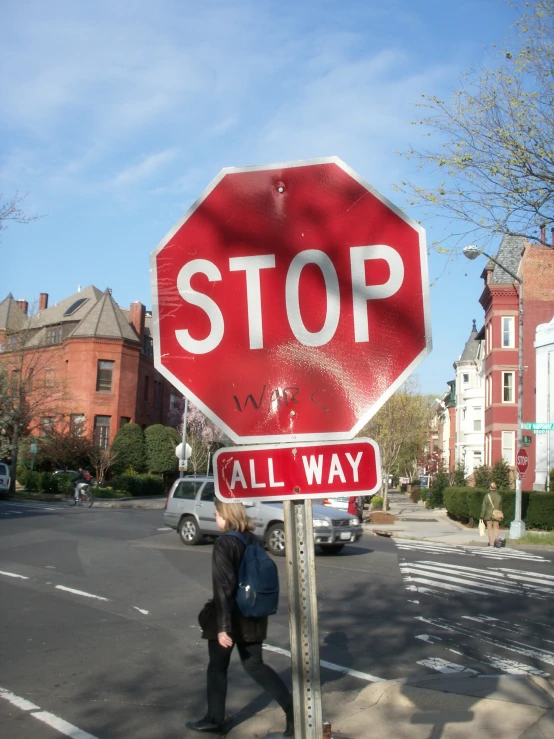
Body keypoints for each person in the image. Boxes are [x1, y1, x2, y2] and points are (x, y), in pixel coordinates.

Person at [187, 499, 294, 736]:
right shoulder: (252, 539)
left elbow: (224, 587)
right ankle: (293, 712)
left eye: (217, 513)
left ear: (226, 515)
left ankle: (214, 720)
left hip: (230, 614)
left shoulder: (225, 542)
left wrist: (223, 628)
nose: (215, 517)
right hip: (254, 612)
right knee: (254, 664)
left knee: (217, 668)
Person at [480, 482, 503, 548]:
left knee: (490, 529)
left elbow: (484, 507)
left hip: (489, 515)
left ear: (490, 488)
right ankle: (497, 539)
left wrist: (482, 516)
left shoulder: (487, 496)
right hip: (496, 515)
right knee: (496, 528)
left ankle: (491, 543)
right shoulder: (499, 496)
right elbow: (500, 507)